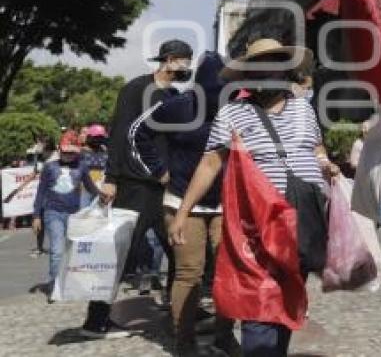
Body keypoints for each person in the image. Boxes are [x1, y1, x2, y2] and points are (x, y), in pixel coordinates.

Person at [169, 39, 340, 357]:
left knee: (289, 296)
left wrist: (326, 165)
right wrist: (183, 212)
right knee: (259, 302)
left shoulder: (304, 107)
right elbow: (210, 164)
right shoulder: (233, 113)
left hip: (304, 218)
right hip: (258, 224)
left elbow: (316, 150)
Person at [80, 39, 194, 338]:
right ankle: (96, 320)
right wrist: (111, 177)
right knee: (122, 252)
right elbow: (119, 131)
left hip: (164, 188)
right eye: (185, 60)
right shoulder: (136, 89)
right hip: (133, 186)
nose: (188, 67)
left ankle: (180, 312)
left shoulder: (173, 96)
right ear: (169, 59)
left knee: (178, 248)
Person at [131, 51, 239, 356]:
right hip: (182, 202)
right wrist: (159, 170)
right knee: (189, 271)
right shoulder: (177, 106)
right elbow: (138, 133)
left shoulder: (238, 108)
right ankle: (184, 340)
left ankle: (224, 335)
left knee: (226, 270)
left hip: (224, 202)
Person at [32, 141, 98, 301]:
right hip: (52, 212)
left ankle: (67, 282)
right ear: (60, 151)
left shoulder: (81, 167)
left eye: (71, 153)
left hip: (73, 214)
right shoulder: (49, 167)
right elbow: (41, 192)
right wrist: (36, 216)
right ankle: (54, 286)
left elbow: (90, 187)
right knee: (57, 250)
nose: (68, 156)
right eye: (65, 152)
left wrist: (103, 195)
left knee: (73, 251)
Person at [78, 125, 109, 208]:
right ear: (89, 137)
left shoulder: (105, 153)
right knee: (83, 214)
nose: (98, 140)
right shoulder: (81, 152)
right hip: (85, 188)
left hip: (101, 188)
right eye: (96, 137)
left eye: (100, 138)